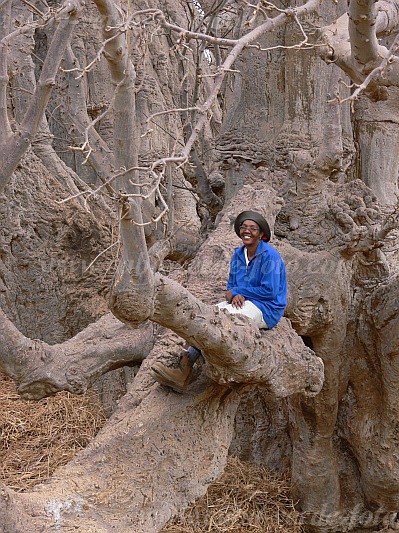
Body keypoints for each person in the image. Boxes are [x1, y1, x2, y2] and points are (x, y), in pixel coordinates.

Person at [150, 210, 288, 393]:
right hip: (242, 303)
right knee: (206, 313)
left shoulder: (270, 256)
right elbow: (230, 290)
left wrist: (241, 292)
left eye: (253, 228)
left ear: (261, 234)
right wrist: (235, 294)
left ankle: (186, 367)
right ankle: (183, 362)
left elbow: (269, 291)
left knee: (222, 320)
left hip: (266, 308)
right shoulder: (238, 255)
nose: (247, 231)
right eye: (243, 227)